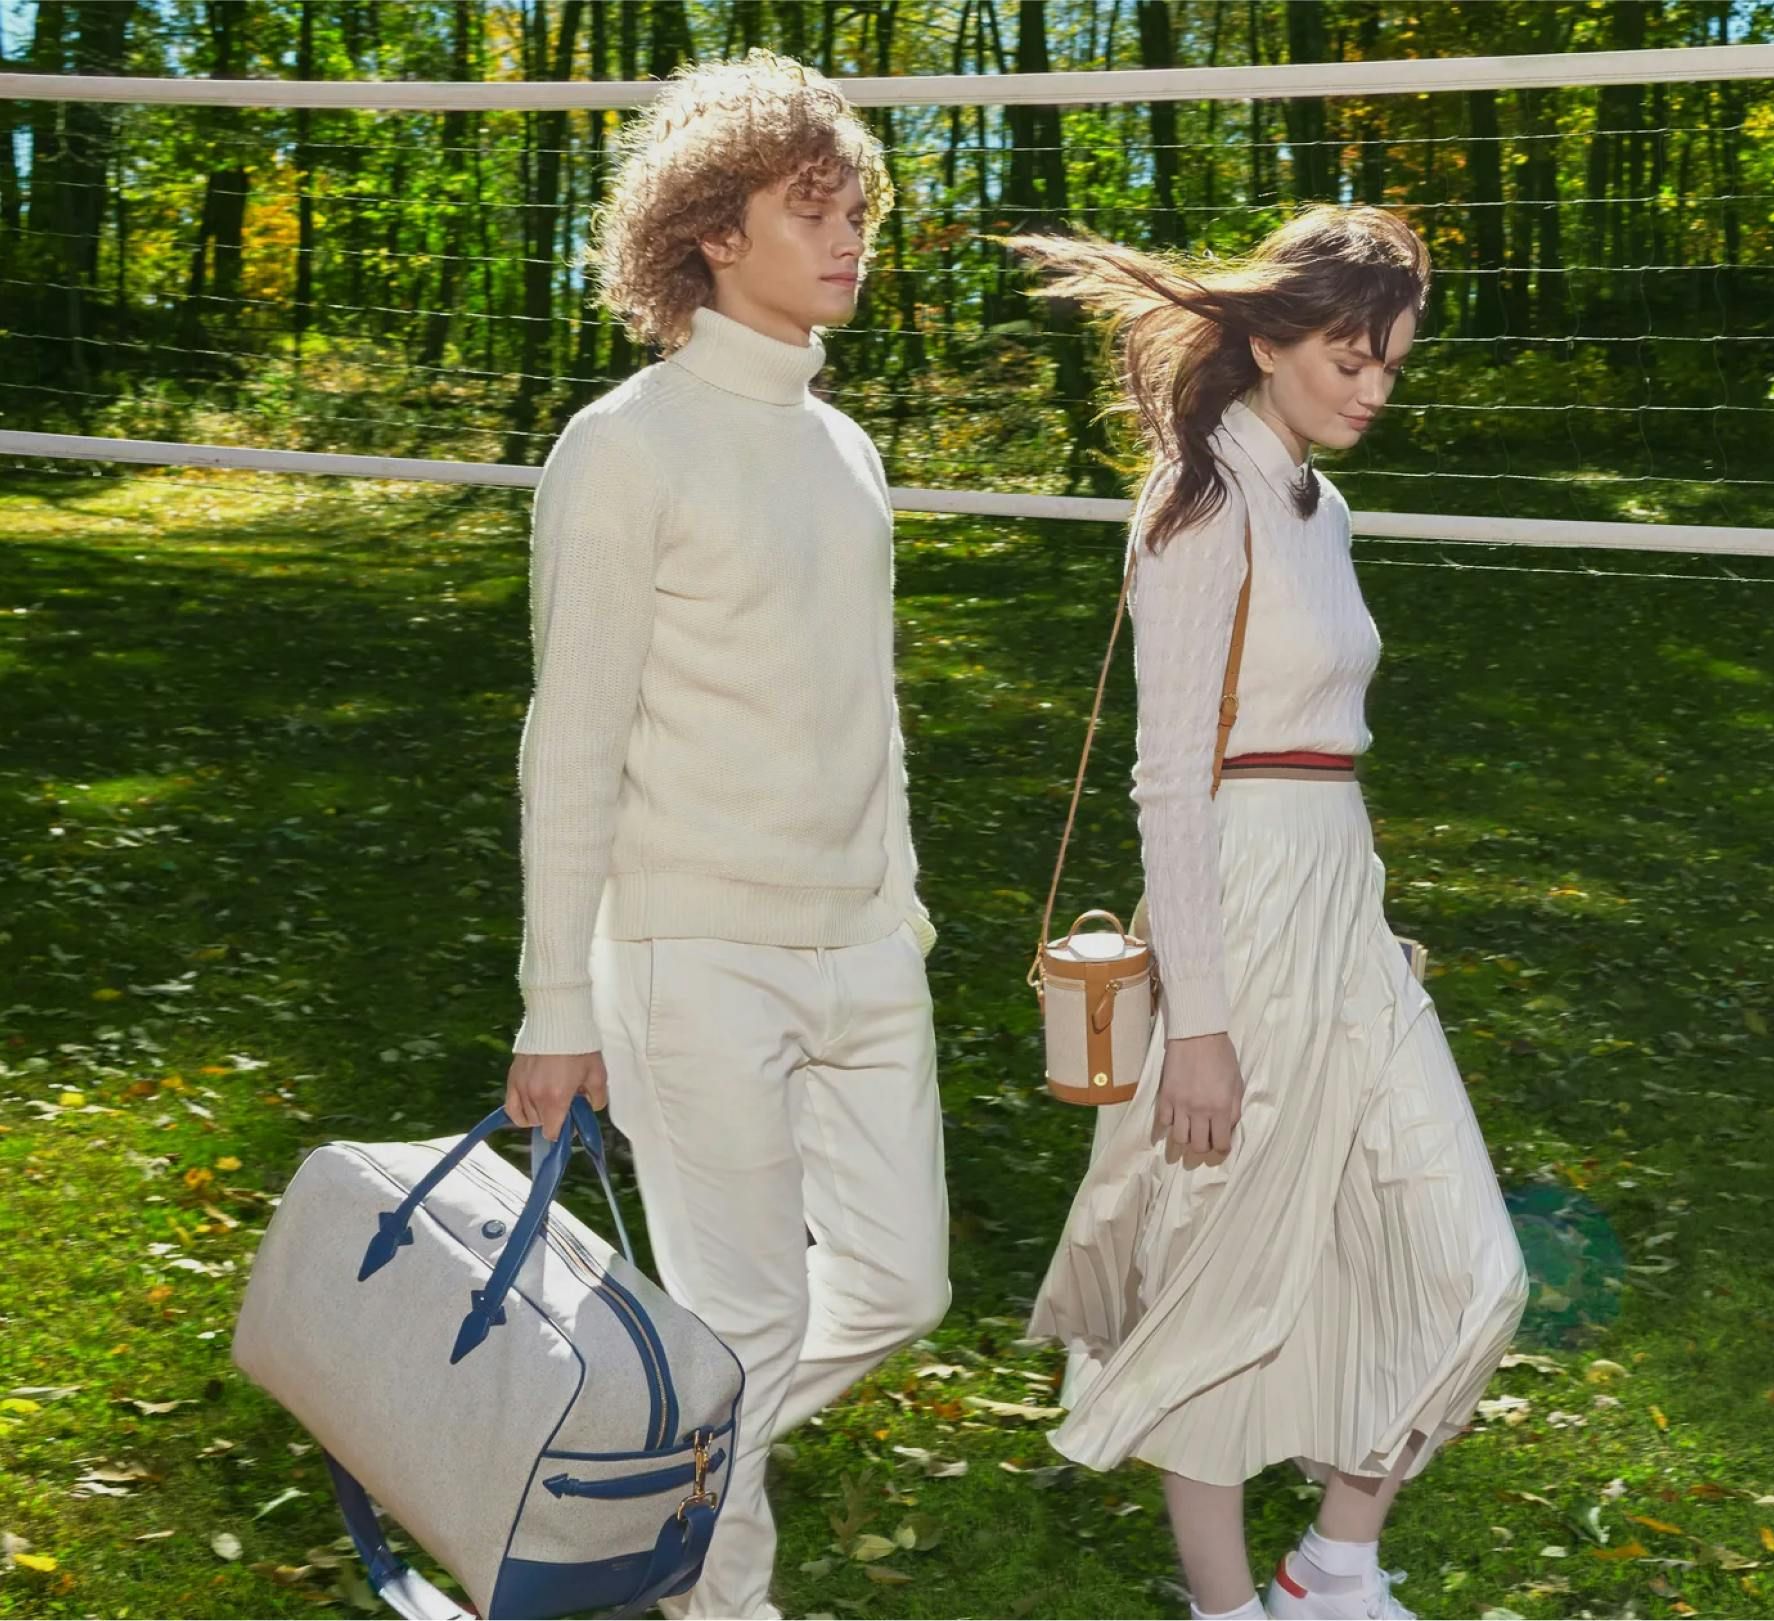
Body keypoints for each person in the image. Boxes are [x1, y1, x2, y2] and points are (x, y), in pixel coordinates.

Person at [1010, 206, 1530, 1621]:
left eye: (1393, 365)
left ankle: (1334, 1568)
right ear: (1265, 338)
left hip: (1341, 903)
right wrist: (1204, 1026)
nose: (1374, 387)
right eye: (1351, 356)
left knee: (1469, 1259)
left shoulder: (1321, 501)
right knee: (1219, 1276)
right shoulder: (1199, 499)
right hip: (1237, 910)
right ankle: (1230, 1607)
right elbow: (1168, 781)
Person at [499, 52, 947, 1620]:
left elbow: (866, 713)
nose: (850, 241)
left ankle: (631, 1485)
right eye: (808, 211)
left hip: (866, 948)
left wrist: (897, 914)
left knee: (899, 1289)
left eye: (859, 212)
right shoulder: (624, 447)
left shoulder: (847, 451)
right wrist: (559, 1006)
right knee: (746, 1317)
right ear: (710, 233)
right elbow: (572, 748)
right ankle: (717, 1596)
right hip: (693, 957)